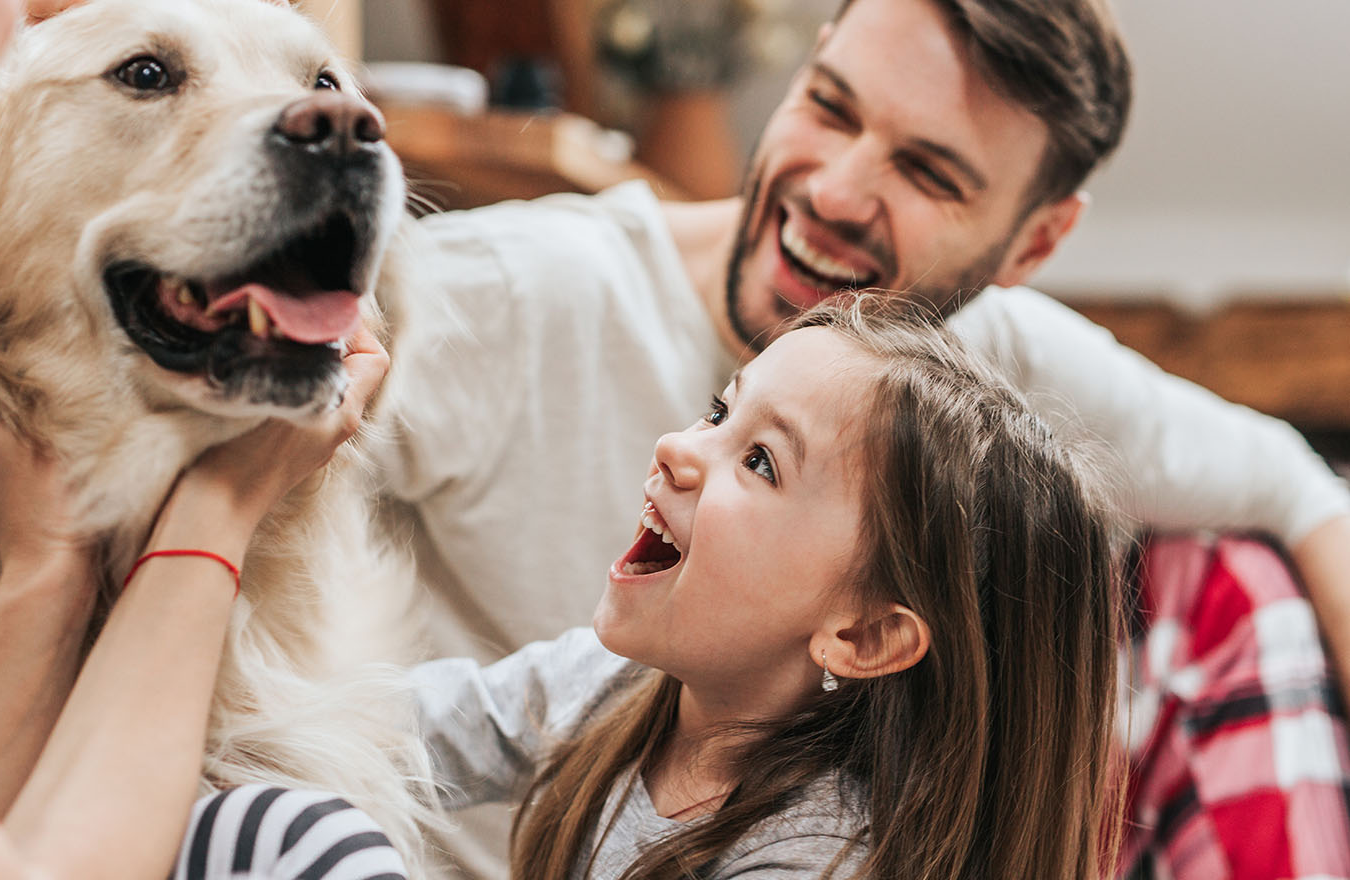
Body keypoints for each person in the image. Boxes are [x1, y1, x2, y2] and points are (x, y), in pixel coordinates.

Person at [360, 0, 1350, 876]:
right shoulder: (506, 294)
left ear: (1035, 242)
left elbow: (1297, 490)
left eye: (926, 171)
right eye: (830, 106)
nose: (833, 192)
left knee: (1239, 581)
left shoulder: (976, 377)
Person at [0, 0, 402, 877]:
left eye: (324, 83)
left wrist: (50, 557)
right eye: (147, 75)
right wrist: (216, 511)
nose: (334, 125)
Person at [404, 300, 1123, 879]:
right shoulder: (611, 685)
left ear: (862, 636)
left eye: (759, 462)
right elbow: (400, 733)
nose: (678, 447)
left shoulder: (820, 857)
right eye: (719, 413)